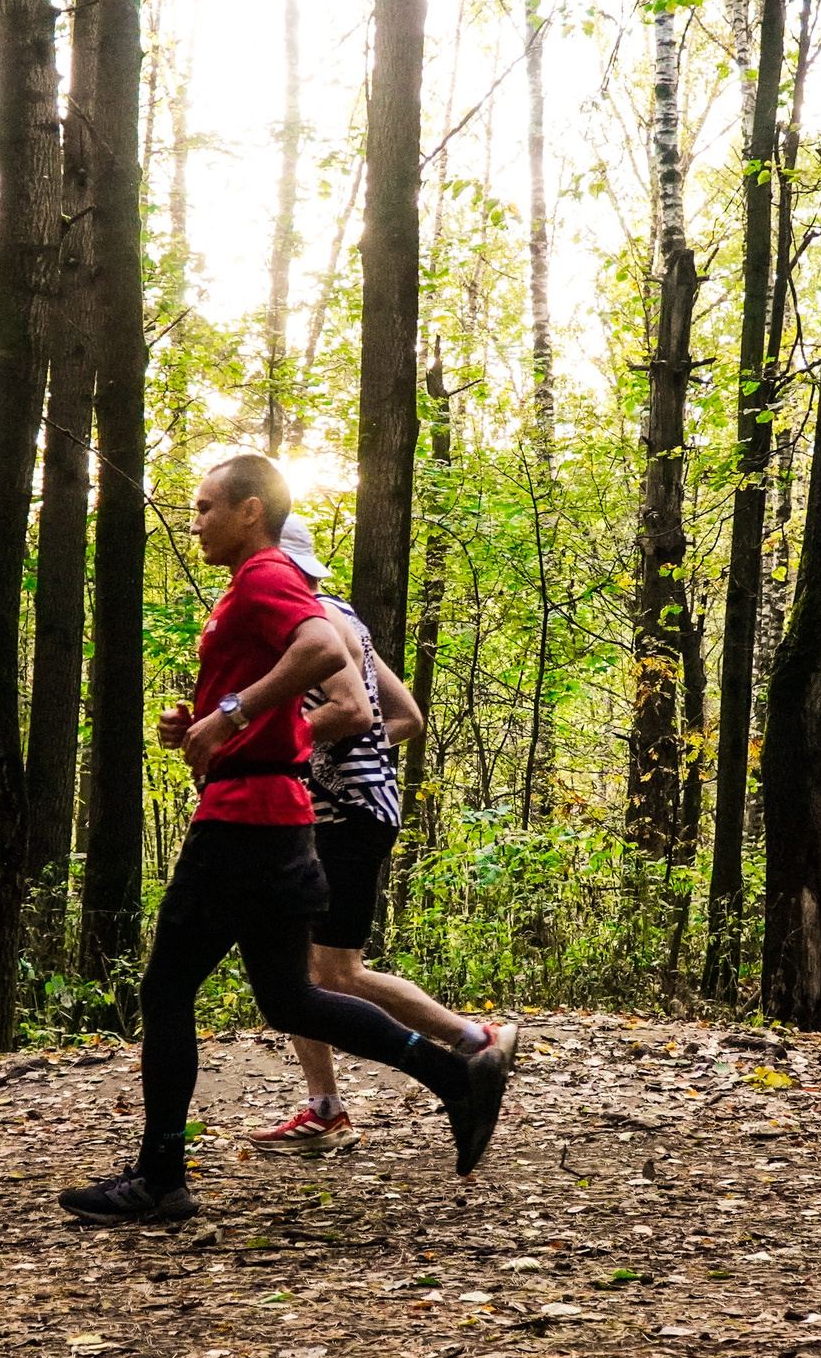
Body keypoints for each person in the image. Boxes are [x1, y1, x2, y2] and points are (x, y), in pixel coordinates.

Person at [57, 454, 518, 1225]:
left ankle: (161, 1173)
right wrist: (199, 721)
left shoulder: (269, 574)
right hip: (277, 818)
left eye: (206, 507)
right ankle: (453, 1077)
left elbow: (326, 657)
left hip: (244, 823)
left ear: (250, 510)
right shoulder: (248, 587)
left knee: (167, 988)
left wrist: (233, 713)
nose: (195, 520)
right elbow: (279, 686)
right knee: (293, 995)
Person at [246, 514, 512, 1155]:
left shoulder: (314, 621)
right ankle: (325, 1108)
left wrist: (302, 754)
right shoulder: (343, 617)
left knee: (332, 970)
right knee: (302, 969)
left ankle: (475, 1042)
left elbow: (361, 713)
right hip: (347, 810)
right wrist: (345, 758)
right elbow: (407, 717)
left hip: (345, 818)